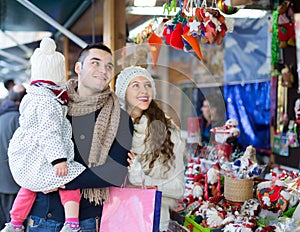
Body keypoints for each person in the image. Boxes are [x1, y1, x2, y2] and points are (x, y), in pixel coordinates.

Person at [25, 43, 133, 232]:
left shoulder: (120, 117)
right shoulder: (51, 105)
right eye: (95, 63)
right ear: (78, 68)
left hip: (87, 220)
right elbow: (27, 151)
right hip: (42, 215)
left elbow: (116, 172)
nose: (103, 70)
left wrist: (58, 180)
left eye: (109, 66)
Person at [2, 37, 86, 232]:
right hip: (45, 154)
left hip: (28, 153)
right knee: (70, 178)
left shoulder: (31, 97)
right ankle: (72, 223)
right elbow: (50, 132)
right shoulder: (49, 101)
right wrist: (59, 159)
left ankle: (14, 223)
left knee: (29, 185)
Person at [115, 66, 186, 231]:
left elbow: (178, 189)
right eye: (136, 85)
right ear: (123, 92)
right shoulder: (113, 128)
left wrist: (143, 180)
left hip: (155, 219)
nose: (144, 90)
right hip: (119, 218)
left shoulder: (168, 130)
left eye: (148, 85)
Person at [0, 84, 26, 230]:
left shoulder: (1, 115)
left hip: (2, 181)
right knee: (14, 224)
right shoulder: (18, 119)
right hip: (13, 182)